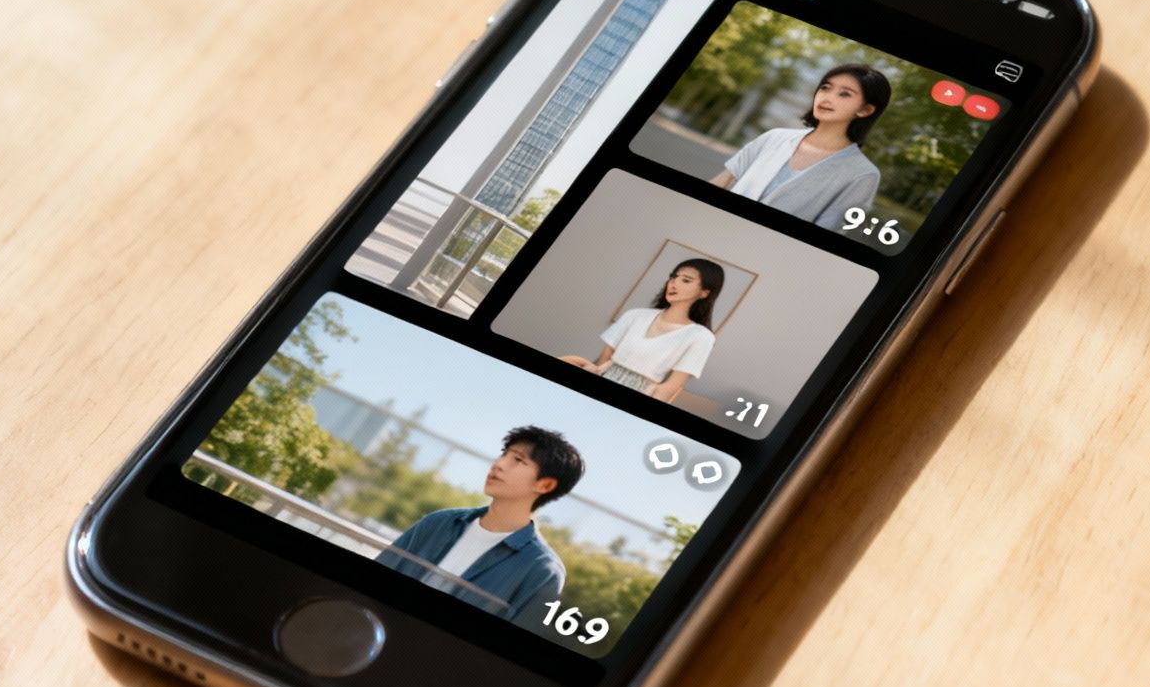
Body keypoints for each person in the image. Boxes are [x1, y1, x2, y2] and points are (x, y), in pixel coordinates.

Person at [374, 425, 578, 623]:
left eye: (517, 460)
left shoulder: (542, 570)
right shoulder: (439, 523)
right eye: (504, 454)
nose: (498, 464)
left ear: (545, 485)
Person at [710, 63, 889, 229]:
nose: (827, 97)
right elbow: (722, 182)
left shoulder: (863, 174)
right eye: (825, 88)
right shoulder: (774, 137)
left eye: (844, 94)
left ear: (865, 110)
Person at [562, 259, 722, 405]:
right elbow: (602, 362)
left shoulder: (701, 337)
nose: (674, 283)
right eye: (673, 277)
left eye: (686, 280)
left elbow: (668, 389)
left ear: (704, 292)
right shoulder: (635, 315)